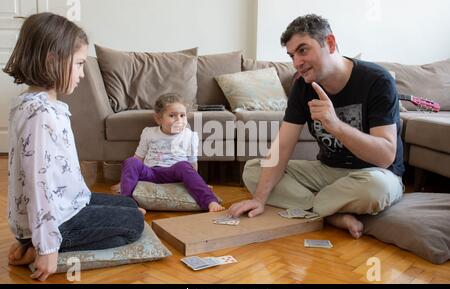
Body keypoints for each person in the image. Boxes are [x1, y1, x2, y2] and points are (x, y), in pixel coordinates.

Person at [228, 14, 404, 238]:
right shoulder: (302, 85)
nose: (296, 62)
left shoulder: (377, 81)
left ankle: (311, 206)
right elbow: (282, 147)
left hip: (373, 174)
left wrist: (336, 125)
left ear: (329, 43)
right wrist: (259, 200)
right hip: (327, 172)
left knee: (377, 189)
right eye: (292, 55)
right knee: (253, 169)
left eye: (303, 50)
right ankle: (330, 213)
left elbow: (386, 156)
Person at [4, 13, 145, 281]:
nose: (82, 74)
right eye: (79, 64)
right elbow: (38, 182)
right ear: (52, 59)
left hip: (67, 204)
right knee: (134, 224)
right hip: (54, 221)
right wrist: (47, 246)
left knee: (127, 205)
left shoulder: (36, 103)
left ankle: (32, 242)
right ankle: (38, 249)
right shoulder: (40, 114)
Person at [112, 93, 225, 212]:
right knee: (131, 162)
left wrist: (198, 181)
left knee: (183, 165)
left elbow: (192, 164)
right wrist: (123, 181)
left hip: (174, 173)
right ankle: (129, 204)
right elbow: (138, 158)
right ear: (158, 119)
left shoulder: (190, 136)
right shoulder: (149, 133)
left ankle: (210, 201)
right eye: (172, 115)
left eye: (182, 115)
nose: (179, 120)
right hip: (150, 172)